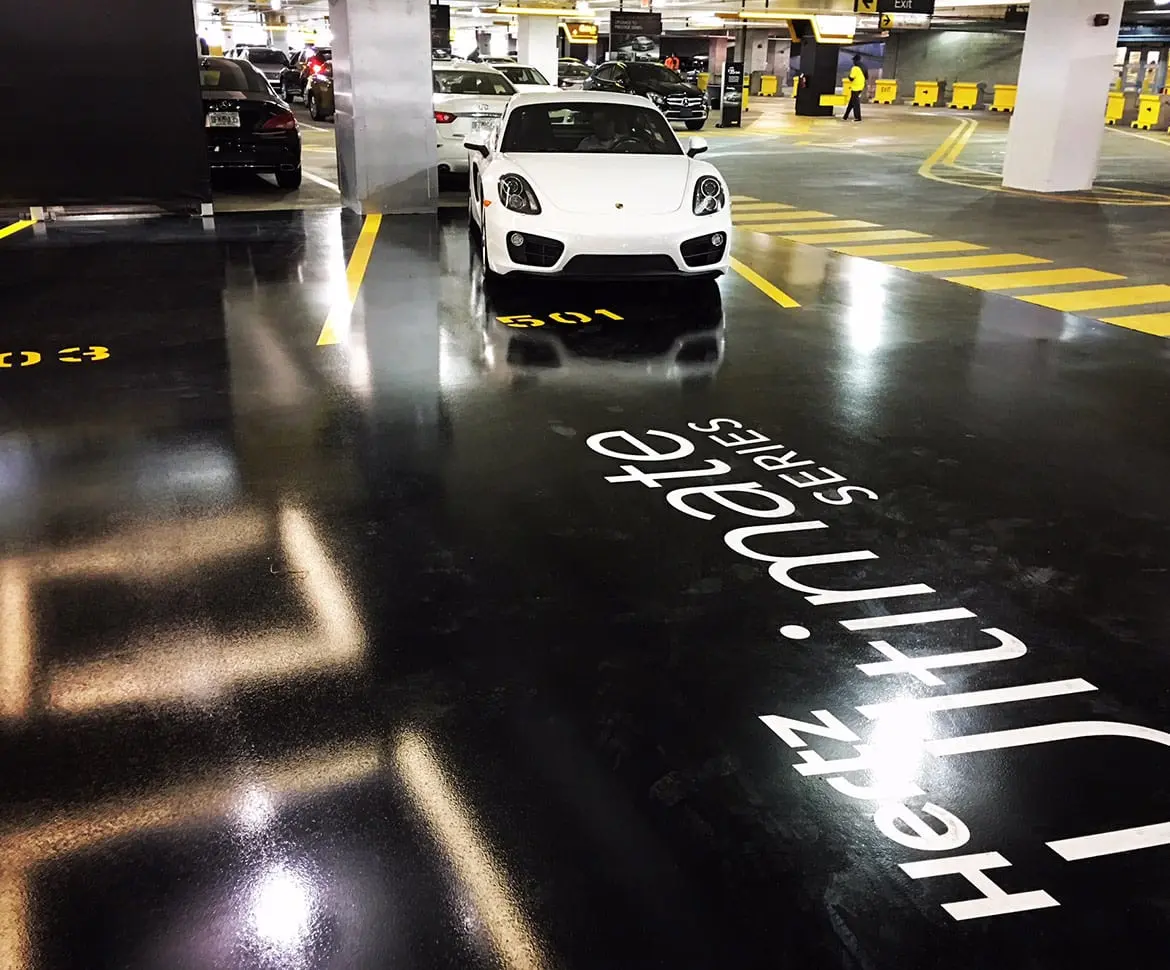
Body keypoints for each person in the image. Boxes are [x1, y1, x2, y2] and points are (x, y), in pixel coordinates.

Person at [843, 54, 866, 122]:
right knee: (852, 102)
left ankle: (858, 117)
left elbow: (851, 78)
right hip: (861, 86)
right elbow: (866, 77)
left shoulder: (855, 68)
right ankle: (845, 116)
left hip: (855, 87)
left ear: (855, 61)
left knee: (855, 103)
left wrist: (848, 76)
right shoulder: (864, 67)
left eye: (853, 60)